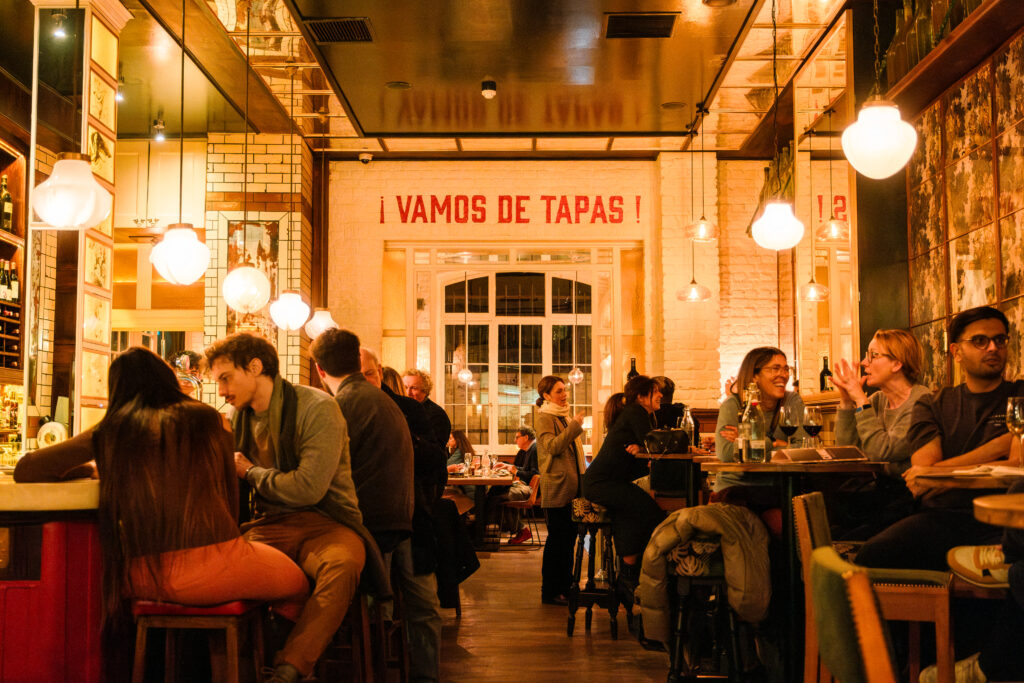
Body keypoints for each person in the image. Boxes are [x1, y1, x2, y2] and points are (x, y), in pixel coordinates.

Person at [14, 348, 309, 670]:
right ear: (167, 379)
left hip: (143, 577)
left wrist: (89, 469)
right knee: (298, 584)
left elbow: (28, 470)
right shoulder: (210, 420)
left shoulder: (114, 429)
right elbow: (230, 499)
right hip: (218, 567)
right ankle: (267, 668)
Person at [207, 333, 385, 683]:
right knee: (221, 568)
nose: (221, 391)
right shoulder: (236, 416)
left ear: (255, 367)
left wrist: (250, 471)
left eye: (226, 378)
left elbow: (308, 488)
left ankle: (289, 669)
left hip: (328, 522)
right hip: (268, 523)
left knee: (344, 565)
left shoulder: (316, 407)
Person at [312, 331, 441, 683]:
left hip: (391, 521)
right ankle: (389, 668)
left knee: (398, 606)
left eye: (372, 373)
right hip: (402, 516)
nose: (368, 379)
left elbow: (435, 461)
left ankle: (381, 670)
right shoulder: (381, 404)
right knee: (405, 606)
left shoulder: (355, 405)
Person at [856, 306, 1024, 571]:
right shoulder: (933, 403)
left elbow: (1018, 466)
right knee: (873, 555)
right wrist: (998, 447)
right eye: (980, 340)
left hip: (1007, 518)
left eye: (1000, 340)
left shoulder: (1020, 395)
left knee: (1014, 566)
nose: (993, 347)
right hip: (944, 516)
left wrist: (941, 473)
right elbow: (923, 478)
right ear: (956, 352)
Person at [830, 329, 932, 537]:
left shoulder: (922, 402)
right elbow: (847, 449)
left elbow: (882, 450)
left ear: (897, 363)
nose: (864, 363)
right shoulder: (878, 400)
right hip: (881, 493)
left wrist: (860, 399)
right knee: (829, 520)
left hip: (912, 499)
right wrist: (847, 401)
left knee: (845, 534)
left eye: (873, 356)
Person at [583, 375, 666, 591]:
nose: (660, 395)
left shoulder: (636, 414)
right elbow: (654, 442)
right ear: (641, 397)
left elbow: (647, 443)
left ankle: (626, 578)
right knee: (650, 512)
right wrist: (646, 447)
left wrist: (642, 448)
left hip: (605, 483)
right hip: (602, 484)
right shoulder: (635, 411)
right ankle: (634, 576)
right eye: (655, 391)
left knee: (630, 512)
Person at [714, 346, 806, 494]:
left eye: (785, 369)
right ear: (754, 376)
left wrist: (748, 446)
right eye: (775, 369)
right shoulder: (733, 404)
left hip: (778, 487)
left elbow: (804, 448)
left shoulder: (791, 400)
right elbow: (725, 453)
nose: (783, 375)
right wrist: (774, 443)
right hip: (737, 487)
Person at [535, 375, 586, 606]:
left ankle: (565, 588)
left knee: (569, 541)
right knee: (558, 542)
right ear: (546, 396)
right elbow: (552, 447)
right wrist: (575, 426)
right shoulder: (546, 417)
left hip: (571, 488)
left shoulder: (561, 417)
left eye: (565, 390)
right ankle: (551, 591)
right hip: (557, 487)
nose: (564, 394)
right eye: (558, 391)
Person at [486, 426, 540, 545]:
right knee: (495, 490)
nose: (515, 440)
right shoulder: (530, 449)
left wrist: (515, 471)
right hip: (525, 485)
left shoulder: (535, 449)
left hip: (532, 489)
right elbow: (526, 470)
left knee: (499, 496)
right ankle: (492, 526)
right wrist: (508, 467)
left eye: (517, 437)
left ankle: (520, 530)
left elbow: (535, 474)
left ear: (526, 437)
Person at [403, 369, 451, 452]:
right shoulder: (405, 409)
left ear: (425, 391)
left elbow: (434, 450)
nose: (408, 392)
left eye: (414, 388)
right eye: (405, 387)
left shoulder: (436, 415)